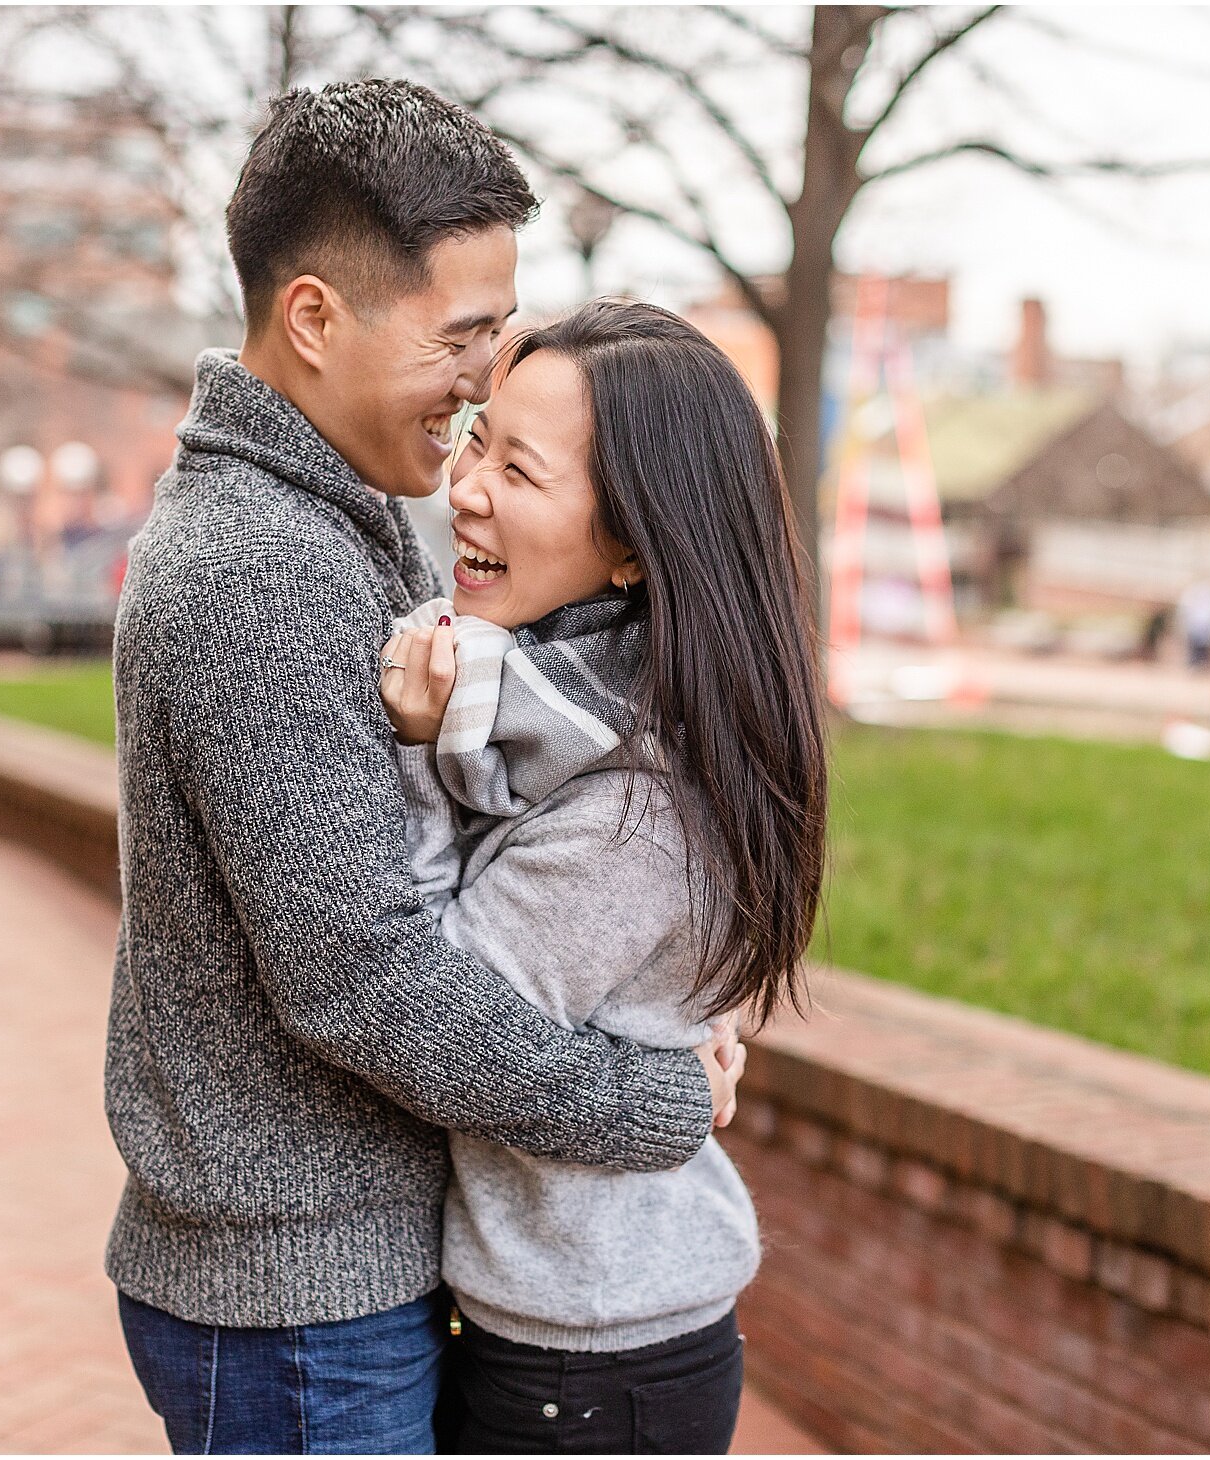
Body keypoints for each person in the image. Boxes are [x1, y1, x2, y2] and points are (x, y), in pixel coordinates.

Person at [104, 81, 744, 1455]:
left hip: (346, 1270)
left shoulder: (344, 512)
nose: (482, 376)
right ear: (316, 319)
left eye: (500, 329)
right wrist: (654, 1104)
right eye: (462, 335)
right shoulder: (257, 570)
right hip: (293, 1301)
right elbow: (366, 978)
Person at [378, 301, 828, 1454]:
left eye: (516, 468)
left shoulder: (636, 804)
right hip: (584, 1338)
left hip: (589, 1362)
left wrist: (425, 752)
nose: (465, 486)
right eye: (476, 439)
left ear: (631, 546)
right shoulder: (585, 708)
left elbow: (435, 1012)